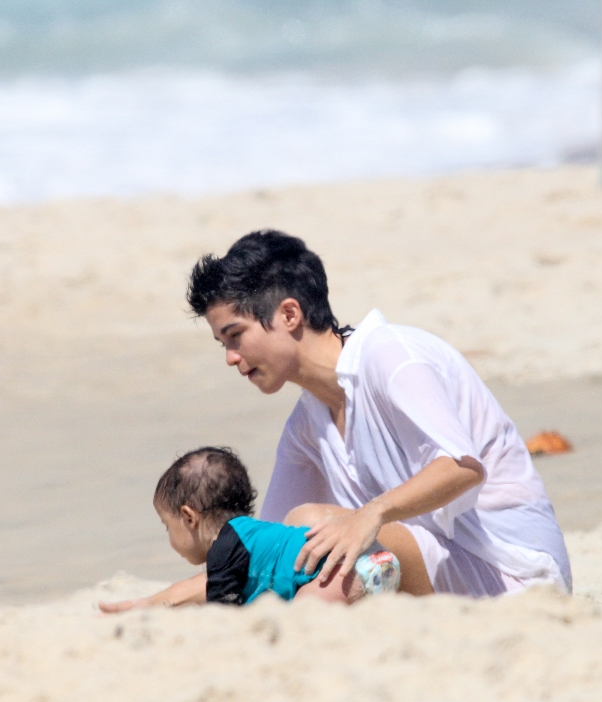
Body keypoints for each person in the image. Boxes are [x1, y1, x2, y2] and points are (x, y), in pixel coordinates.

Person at [107, 229, 571, 610]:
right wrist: (164, 599)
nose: (230, 358)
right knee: (297, 541)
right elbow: (262, 549)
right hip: (426, 570)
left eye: (235, 336)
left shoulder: (391, 356)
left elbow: (463, 467)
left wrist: (370, 515)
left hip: (516, 574)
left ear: (289, 314)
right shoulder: (306, 425)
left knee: (314, 522)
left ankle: (305, 625)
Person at [98, 446, 400, 611]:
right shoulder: (252, 536)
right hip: (371, 560)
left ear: (189, 517)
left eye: (167, 525)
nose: (168, 536)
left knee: (303, 617)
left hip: (338, 570)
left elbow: (224, 610)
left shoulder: (224, 550)